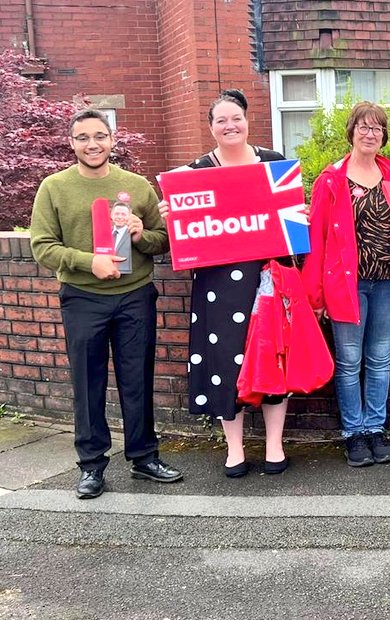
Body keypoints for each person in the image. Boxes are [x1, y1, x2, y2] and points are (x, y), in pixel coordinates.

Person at [30, 109, 182, 499]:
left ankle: (144, 457)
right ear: (71, 143)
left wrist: (140, 235)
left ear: (112, 140)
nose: (92, 144)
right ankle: (92, 465)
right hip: (83, 298)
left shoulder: (136, 186)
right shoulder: (54, 187)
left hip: (135, 295)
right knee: (88, 383)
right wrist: (88, 262)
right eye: (83, 137)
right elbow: (42, 246)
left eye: (100, 136)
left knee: (138, 379)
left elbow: (164, 240)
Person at [162, 89, 292, 478]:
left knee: (272, 357)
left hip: (267, 279)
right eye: (221, 120)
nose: (230, 126)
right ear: (211, 127)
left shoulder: (274, 163)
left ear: (247, 121)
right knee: (224, 361)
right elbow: (184, 231)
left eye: (236, 118)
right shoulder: (194, 174)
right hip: (217, 284)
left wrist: (296, 214)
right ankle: (234, 448)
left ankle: (274, 444)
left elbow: (288, 222)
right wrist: (171, 213)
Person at [302, 101, 390, 468]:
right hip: (347, 285)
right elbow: (317, 239)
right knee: (349, 361)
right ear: (351, 131)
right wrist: (315, 295)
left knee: (379, 359)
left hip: (388, 282)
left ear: (384, 135)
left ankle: (375, 429)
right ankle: (354, 434)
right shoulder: (331, 179)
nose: (370, 133)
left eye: (377, 128)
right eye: (363, 126)